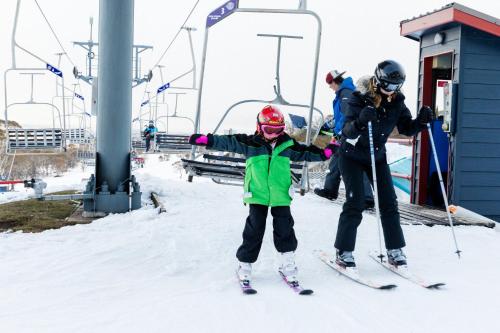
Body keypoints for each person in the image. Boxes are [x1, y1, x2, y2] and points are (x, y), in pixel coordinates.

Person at [189, 105, 337, 284]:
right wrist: (207, 140)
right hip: (257, 193)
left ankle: (287, 263)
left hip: (281, 194)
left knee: (285, 229)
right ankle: (245, 264)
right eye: (269, 130)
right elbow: (227, 141)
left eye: (278, 130)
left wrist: (326, 153)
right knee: (254, 228)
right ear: (260, 127)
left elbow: (306, 153)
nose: (273, 134)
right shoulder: (249, 143)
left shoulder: (287, 145)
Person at [334, 60, 434, 268]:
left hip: (376, 156)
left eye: (397, 87)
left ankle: (394, 249)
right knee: (356, 202)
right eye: (388, 86)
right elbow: (346, 131)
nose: (392, 92)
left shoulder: (397, 101)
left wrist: (421, 122)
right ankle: (344, 251)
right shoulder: (359, 98)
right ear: (378, 81)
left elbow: (406, 128)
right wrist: (361, 120)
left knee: (389, 202)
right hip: (351, 155)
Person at [314, 70, 374, 209]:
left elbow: (348, 114)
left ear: (335, 82)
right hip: (343, 132)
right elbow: (341, 115)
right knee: (336, 159)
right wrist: (331, 124)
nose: (330, 87)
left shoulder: (346, 93)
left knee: (356, 163)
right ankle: (330, 189)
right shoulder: (344, 92)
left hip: (349, 133)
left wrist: (340, 132)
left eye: (330, 84)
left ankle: (366, 198)